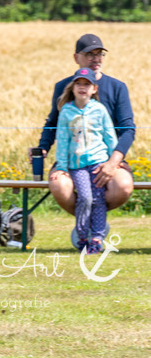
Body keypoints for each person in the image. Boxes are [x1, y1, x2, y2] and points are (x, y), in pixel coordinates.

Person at [38, 34, 135, 236]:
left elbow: (128, 129)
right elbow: (53, 124)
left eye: (100, 54)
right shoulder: (63, 86)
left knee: (123, 187)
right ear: (76, 58)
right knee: (59, 185)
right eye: (89, 54)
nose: (96, 59)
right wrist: (43, 148)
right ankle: (92, 225)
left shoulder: (118, 87)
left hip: (106, 157)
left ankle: (90, 224)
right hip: (73, 157)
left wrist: (113, 162)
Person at [53, 68, 118, 254]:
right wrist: (62, 166)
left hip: (98, 162)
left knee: (98, 199)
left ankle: (97, 237)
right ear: (73, 88)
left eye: (87, 84)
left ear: (94, 89)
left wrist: (115, 159)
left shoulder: (99, 110)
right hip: (77, 165)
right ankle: (82, 236)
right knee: (85, 197)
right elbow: (63, 140)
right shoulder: (66, 111)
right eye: (79, 84)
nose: (83, 88)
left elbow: (109, 135)